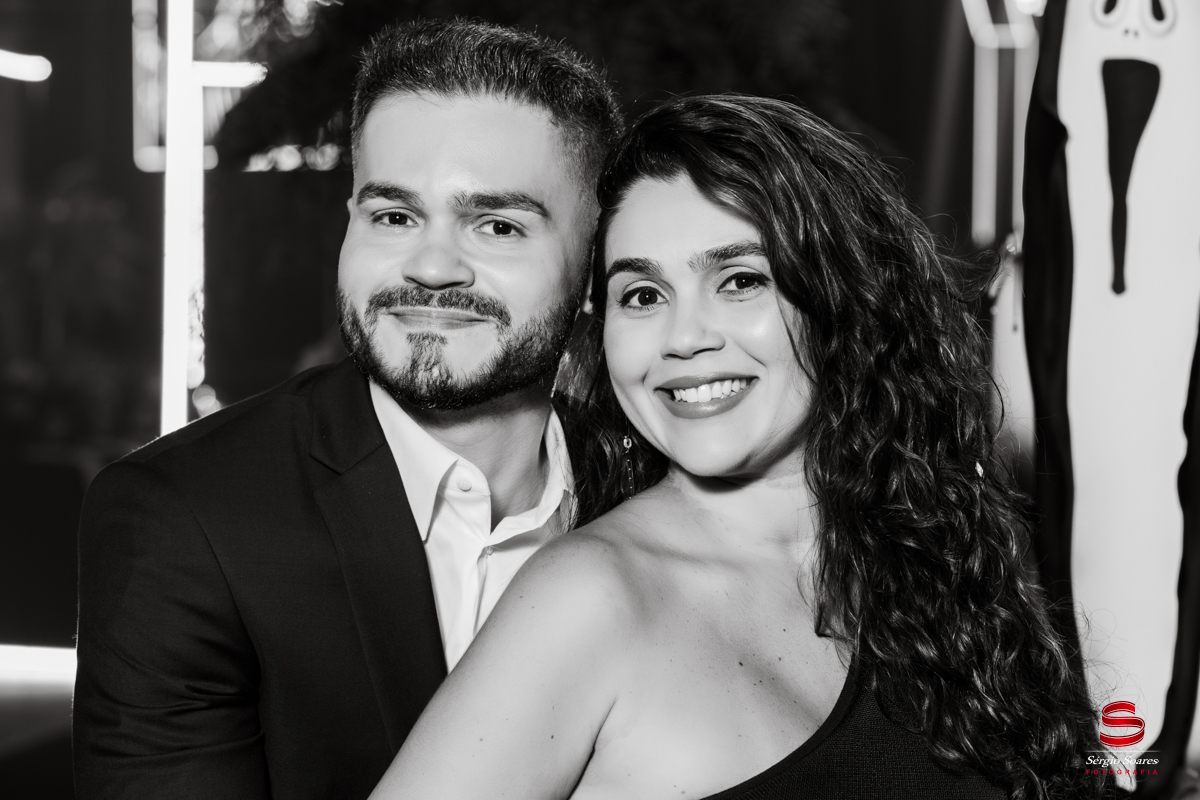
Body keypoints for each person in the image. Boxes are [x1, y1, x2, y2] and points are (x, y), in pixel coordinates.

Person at [369, 95, 1115, 800]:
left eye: (739, 280)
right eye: (643, 295)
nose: (685, 338)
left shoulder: (944, 558)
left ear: (843, 297)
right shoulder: (588, 600)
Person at [72, 19, 622, 800]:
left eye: (497, 225)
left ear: (595, 266)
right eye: (394, 216)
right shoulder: (185, 519)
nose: (431, 267)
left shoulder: (660, 494)